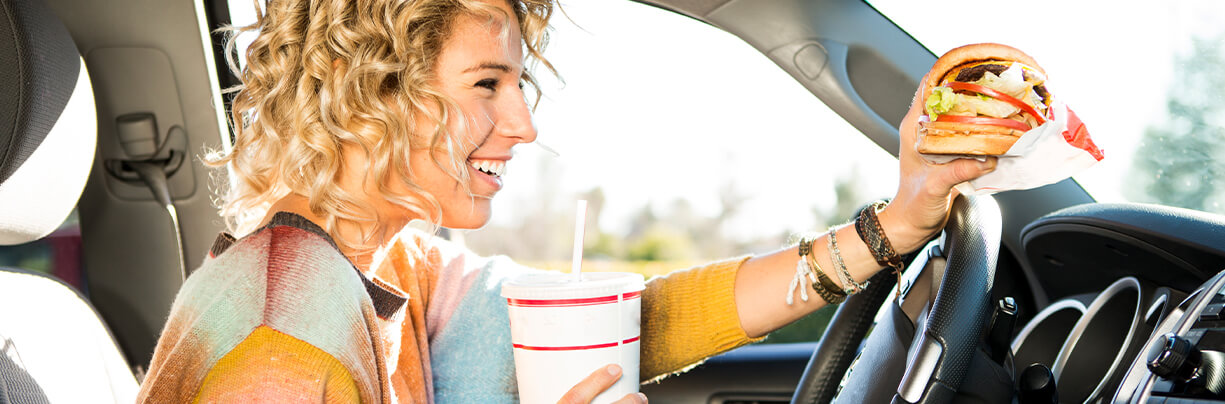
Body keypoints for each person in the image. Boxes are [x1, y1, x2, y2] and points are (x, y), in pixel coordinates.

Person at [135, 0, 996, 402]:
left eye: (519, 81)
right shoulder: (280, 333)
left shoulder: (399, 264)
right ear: (368, 92)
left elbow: (636, 323)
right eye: (486, 83)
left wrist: (895, 225)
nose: (523, 123)